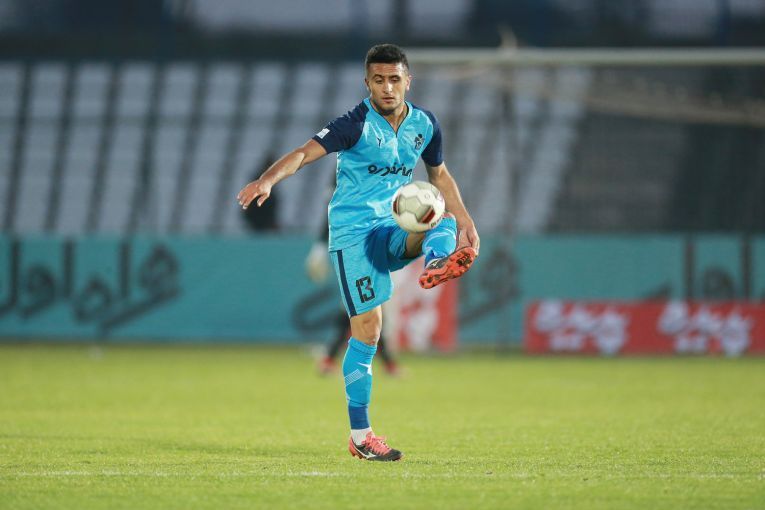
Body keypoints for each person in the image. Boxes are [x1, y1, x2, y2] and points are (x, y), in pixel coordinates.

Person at [238, 43, 480, 462]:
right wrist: (268, 179)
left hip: (393, 227)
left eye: (394, 79)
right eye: (378, 80)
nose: (387, 87)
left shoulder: (424, 124)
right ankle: (361, 436)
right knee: (369, 329)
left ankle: (438, 262)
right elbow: (304, 153)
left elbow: (439, 175)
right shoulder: (354, 124)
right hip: (354, 235)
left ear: (408, 81)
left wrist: (467, 221)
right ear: (367, 83)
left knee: (439, 217)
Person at [305, 211, 400, 377]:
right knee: (369, 311)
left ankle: (329, 359)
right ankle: (387, 365)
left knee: (359, 311)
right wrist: (320, 246)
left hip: (367, 256)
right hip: (362, 257)